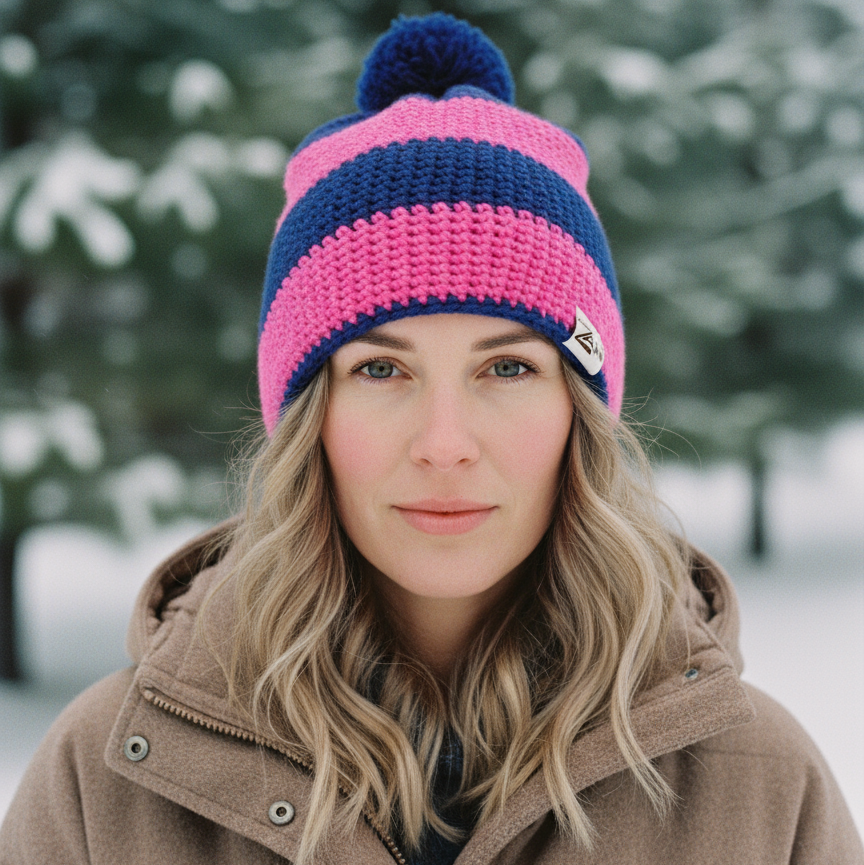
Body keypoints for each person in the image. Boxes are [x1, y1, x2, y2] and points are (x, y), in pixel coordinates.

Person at [0, 12, 861, 865]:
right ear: (310, 419)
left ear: (580, 412)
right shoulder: (105, 786)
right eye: (381, 370)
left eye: (509, 369)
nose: (444, 443)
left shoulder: (759, 790)